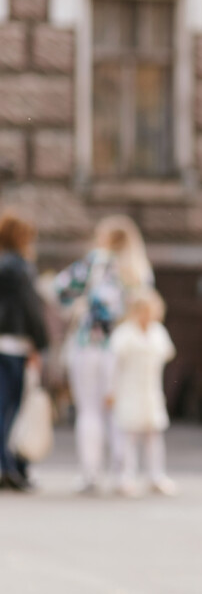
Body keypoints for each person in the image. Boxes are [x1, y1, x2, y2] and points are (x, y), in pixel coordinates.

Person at [54, 214, 155, 493]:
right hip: (123, 348)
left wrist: (79, 304)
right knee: (119, 412)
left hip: (89, 345)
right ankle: (124, 473)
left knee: (89, 411)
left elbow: (59, 288)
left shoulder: (93, 263)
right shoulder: (139, 270)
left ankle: (91, 473)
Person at [108, 287, 176, 497]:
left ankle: (156, 475)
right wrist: (111, 391)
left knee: (153, 436)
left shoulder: (158, 332)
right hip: (129, 390)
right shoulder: (124, 334)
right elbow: (114, 365)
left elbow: (167, 354)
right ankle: (125, 476)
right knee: (128, 437)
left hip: (150, 391)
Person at [0, 209, 48, 491]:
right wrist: (40, 344)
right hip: (16, 344)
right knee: (9, 408)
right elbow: (32, 309)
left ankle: (7, 464)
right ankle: (8, 466)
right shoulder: (19, 267)